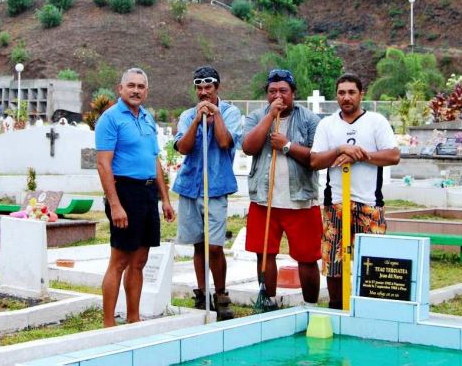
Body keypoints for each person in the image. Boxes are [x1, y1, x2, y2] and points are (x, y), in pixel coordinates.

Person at [309, 72, 400, 309]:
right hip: (336, 203)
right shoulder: (327, 125)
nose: (346, 97)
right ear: (336, 96)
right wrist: (339, 150)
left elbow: (393, 155)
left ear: (361, 94)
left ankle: (370, 307)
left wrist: (363, 155)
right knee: (334, 262)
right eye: (341, 93)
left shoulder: (376, 122)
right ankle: (336, 306)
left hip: (369, 204)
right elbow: (315, 160)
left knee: (372, 261)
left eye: (351, 92)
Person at [95, 68, 175, 326]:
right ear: (120, 89)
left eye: (141, 86)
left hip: (148, 193)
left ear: (147, 91)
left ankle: (133, 317)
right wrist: (116, 205)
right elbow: (103, 165)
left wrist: (165, 199)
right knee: (120, 260)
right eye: (131, 85)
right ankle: (108, 323)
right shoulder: (110, 118)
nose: (136, 90)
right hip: (125, 192)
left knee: (140, 260)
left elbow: (155, 161)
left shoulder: (148, 119)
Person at [242, 68, 322, 308]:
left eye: (283, 91)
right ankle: (268, 301)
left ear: (293, 92)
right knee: (264, 254)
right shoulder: (256, 117)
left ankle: (311, 306)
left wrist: (286, 145)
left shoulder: (309, 119)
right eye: (272, 91)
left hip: (301, 200)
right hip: (264, 200)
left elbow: (317, 157)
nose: (278, 95)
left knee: (307, 257)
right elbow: (248, 147)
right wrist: (270, 117)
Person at [173, 66, 242, 321]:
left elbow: (225, 142)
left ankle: (221, 294)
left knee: (214, 247)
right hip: (190, 186)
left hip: (216, 186)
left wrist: (216, 117)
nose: (203, 93)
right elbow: (183, 147)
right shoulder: (187, 115)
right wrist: (196, 120)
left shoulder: (231, 112)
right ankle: (202, 293)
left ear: (217, 88)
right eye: (199, 88)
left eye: (208, 88)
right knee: (198, 245)